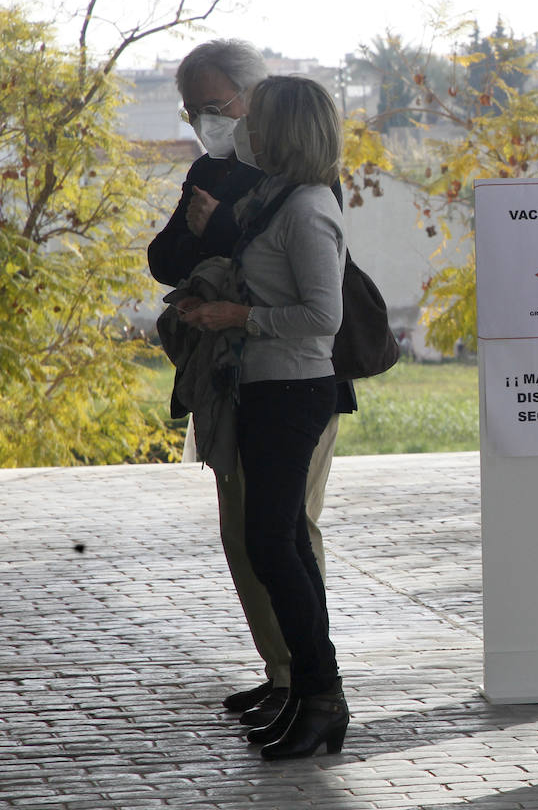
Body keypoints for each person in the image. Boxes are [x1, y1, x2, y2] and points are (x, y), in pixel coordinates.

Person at [147, 40, 354, 731]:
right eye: (195, 111)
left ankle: (313, 683)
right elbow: (165, 256)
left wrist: (235, 301)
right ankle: (290, 678)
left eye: (222, 110)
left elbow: (322, 309)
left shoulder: (302, 195)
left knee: (285, 535)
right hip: (242, 382)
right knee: (252, 535)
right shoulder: (233, 178)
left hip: (296, 385)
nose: (215, 126)